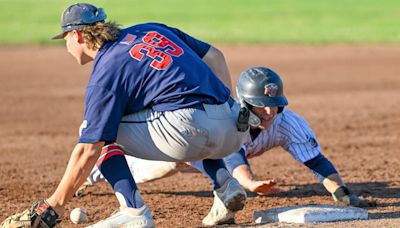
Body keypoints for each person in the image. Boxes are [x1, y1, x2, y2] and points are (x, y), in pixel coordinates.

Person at [1, 3, 249, 228]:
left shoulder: (106, 72)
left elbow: (89, 149)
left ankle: (133, 210)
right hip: (234, 126)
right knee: (161, 107)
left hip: (188, 132)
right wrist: (225, 105)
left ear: (76, 35)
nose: (66, 45)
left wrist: (54, 204)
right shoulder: (151, 29)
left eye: (65, 38)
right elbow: (215, 55)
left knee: (96, 132)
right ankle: (226, 185)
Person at [77, 66, 377, 225]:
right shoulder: (229, 118)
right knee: (147, 170)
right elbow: (232, 156)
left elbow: (316, 161)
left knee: (222, 173)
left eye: (275, 105)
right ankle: (92, 174)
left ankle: (221, 205)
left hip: (215, 157)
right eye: (262, 107)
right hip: (183, 152)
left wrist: (343, 193)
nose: (270, 113)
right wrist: (249, 182)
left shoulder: (288, 123)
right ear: (245, 103)